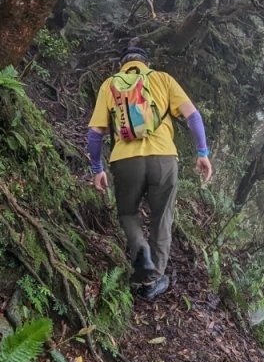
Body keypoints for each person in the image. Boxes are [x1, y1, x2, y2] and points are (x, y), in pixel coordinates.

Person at [87, 46, 212, 301]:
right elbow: (193, 116)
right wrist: (202, 152)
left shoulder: (109, 85)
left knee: (128, 213)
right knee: (162, 217)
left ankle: (141, 250)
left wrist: (97, 168)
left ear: (123, 66)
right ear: (146, 63)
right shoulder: (162, 79)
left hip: (125, 161)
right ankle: (152, 278)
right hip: (164, 158)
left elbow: (94, 133)